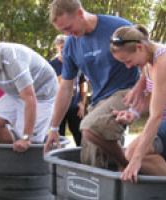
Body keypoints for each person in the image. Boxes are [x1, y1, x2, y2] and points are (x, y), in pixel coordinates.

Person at [44, 0, 139, 170]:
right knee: (88, 152)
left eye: (68, 27)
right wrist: (54, 127)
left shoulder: (117, 28)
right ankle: (109, 184)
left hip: (127, 90)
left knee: (91, 127)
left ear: (80, 13)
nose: (68, 34)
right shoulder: (71, 46)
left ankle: (127, 164)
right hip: (99, 99)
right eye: (62, 31)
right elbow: (66, 88)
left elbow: (145, 57)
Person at [0, 39, 58, 152]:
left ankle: (33, 163)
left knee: (30, 144)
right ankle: (9, 159)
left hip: (40, 96)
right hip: (16, 93)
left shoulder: (13, 60)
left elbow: (30, 98)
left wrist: (26, 137)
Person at [110, 24, 166, 182]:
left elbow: (156, 116)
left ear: (140, 47)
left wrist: (136, 160)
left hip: (161, 120)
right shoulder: (149, 58)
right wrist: (133, 113)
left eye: (128, 60)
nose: (128, 66)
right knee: (131, 156)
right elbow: (156, 96)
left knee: (132, 155)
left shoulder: (162, 62)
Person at [50, 34, 87, 146]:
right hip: (57, 107)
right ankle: (57, 161)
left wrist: (82, 103)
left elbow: (83, 83)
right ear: (56, 47)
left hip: (74, 107)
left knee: (80, 136)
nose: (63, 49)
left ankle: (82, 160)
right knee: (58, 138)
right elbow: (48, 86)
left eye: (65, 47)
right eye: (60, 47)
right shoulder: (51, 65)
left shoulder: (77, 62)